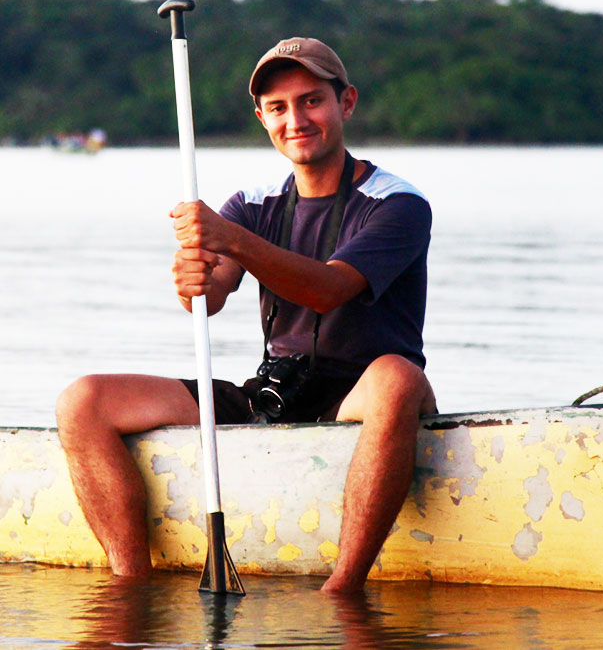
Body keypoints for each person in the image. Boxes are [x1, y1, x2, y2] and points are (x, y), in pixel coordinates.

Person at [56, 37, 436, 594]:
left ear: (346, 103)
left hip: (362, 389)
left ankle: (344, 587)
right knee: (82, 400)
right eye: (279, 108)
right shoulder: (253, 202)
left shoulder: (397, 204)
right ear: (262, 118)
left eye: (312, 101)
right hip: (275, 388)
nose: (296, 119)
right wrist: (194, 280)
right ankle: (131, 586)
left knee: (398, 378)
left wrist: (232, 238)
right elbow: (209, 298)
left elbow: (329, 289)